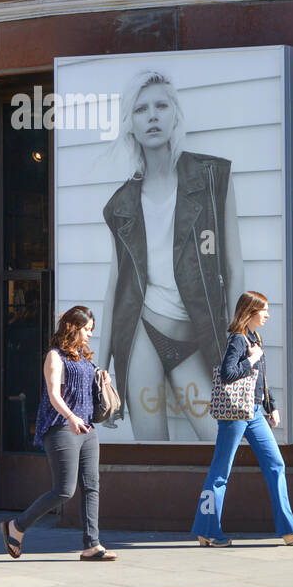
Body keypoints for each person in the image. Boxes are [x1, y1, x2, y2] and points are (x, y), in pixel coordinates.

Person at [100, 69, 244, 441]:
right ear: (130, 124)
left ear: (175, 114)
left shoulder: (212, 178)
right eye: (141, 109)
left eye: (161, 105)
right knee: (152, 449)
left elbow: (233, 267)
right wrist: (100, 369)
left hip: (194, 336)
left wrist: (236, 342)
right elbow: (115, 286)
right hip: (140, 334)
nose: (152, 115)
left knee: (218, 437)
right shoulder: (122, 203)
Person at [192, 291, 293, 546]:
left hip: (255, 412)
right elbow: (228, 373)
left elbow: (260, 377)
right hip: (235, 414)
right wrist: (251, 358)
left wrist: (272, 405)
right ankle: (207, 528)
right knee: (220, 471)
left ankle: (288, 527)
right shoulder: (238, 339)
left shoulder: (254, 337)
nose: (268, 314)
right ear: (250, 311)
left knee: (276, 464)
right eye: (264, 310)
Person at [1, 305, 117, 561]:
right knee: (64, 490)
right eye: (86, 329)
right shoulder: (54, 356)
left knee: (91, 486)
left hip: (87, 428)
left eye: (91, 330)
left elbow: (87, 388)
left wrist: (102, 379)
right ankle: (16, 526)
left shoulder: (84, 356)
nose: (89, 334)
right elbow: (54, 394)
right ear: (72, 327)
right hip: (61, 427)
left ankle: (92, 544)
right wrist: (70, 417)